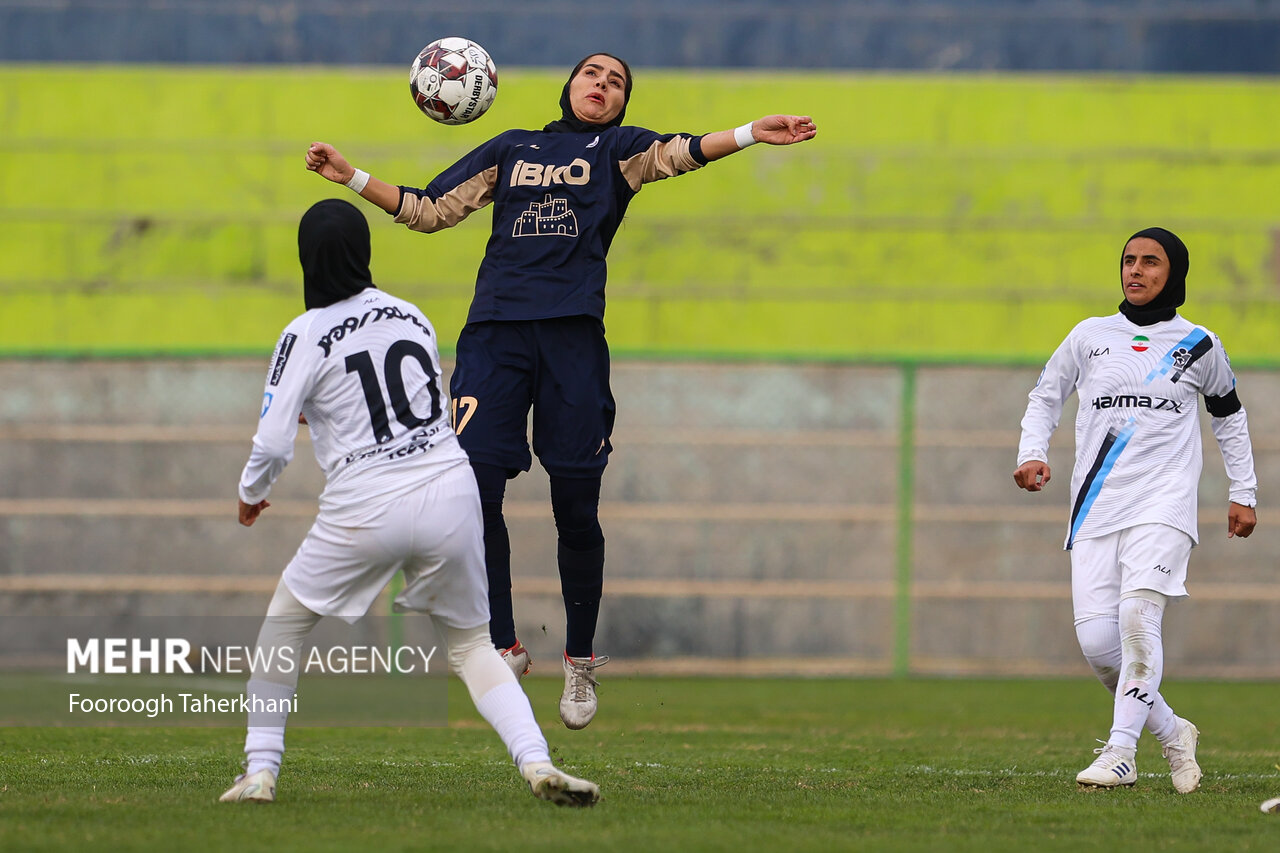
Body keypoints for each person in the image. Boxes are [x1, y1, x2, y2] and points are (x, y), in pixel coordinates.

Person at [304, 52, 817, 729]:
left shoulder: (620, 152)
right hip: (495, 335)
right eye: (591, 75)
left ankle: (578, 660)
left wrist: (751, 131)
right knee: (471, 486)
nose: (601, 85)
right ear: (568, 86)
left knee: (575, 504)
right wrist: (352, 176)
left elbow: (684, 152)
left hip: (573, 339)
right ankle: (505, 639)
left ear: (623, 104)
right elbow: (428, 211)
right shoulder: (512, 148)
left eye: (616, 82)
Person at [219, 198, 599, 807]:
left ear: (306, 260)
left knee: (283, 629)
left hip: (366, 499)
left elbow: (271, 440)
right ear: (365, 252)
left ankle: (260, 772)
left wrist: (250, 495)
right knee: (473, 646)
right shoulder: (410, 315)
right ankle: (537, 762)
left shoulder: (304, 332)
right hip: (451, 489)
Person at [1013, 227, 1257, 793]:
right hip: (1095, 508)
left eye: (1151, 261)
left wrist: (1244, 491)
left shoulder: (1199, 344)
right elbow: (1046, 397)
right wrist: (1031, 452)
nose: (1136, 270)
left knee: (1137, 621)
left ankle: (1121, 753)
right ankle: (1173, 731)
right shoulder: (1089, 336)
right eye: (1128, 260)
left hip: (1164, 505)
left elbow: (1230, 417)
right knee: (1100, 648)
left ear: (1175, 273)